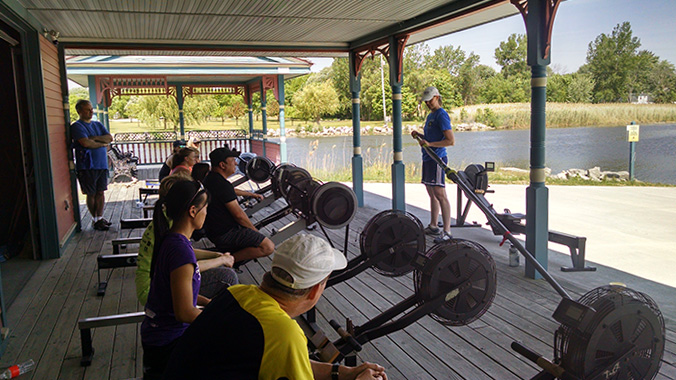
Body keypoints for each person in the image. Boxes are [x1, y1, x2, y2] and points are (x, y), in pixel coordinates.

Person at [164, 234, 388, 380]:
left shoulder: (238, 294)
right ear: (314, 291)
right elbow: (283, 349)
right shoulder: (283, 333)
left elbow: (286, 360)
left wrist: (343, 373)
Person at [141, 180, 212, 379]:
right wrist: (219, 320)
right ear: (192, 211)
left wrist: (208, 303)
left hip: (157, 336)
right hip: (168, 342)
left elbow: (176, 293)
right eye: (205, 208)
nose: (207, 213)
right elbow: (184, 313)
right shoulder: (181, 251)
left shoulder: (171, 239)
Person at [135, 174, 237, 307]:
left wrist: (216, 255)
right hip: (153, 291)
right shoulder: (175, 227)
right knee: (228, 276)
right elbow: (185, 267)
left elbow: (186, 256)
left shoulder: (165, 221)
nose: (206, 213)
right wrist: (220, 260)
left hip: (152, 285)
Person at [203, 147, 273, 263]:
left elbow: (230, 191)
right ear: (222, 165)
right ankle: (227, 260)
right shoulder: (222, 185)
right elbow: (239, 215)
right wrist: (254, 231)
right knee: (267, 246)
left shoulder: (211, 179)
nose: (236, 163)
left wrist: (251, 194)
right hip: (225, 233)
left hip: (213, 230)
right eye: (232, 161)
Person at [410, 86, 455, 243]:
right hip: (428, 158)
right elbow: (429, 139)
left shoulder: (442, 115)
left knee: (440, 194)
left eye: (430, 100)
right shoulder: (431, 116)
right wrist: (419, 135)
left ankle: (447, 231)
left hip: (437, 159)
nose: (428, 103)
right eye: (426, 101)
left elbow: (450, 141)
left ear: (437, 97)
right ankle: (434, 225)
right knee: (432, 193)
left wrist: (430, 144)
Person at [71, 99, 113, 231]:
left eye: (91, 109)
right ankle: (95, 220)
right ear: (79, 111)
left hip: (101, 164)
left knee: (100, 192)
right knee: (91, 193)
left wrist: (94, 138)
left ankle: (100, 218)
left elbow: (109, 138)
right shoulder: (77, 126)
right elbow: (85, 143)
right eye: (87, 109)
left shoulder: (97, 124)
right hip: (87, 165)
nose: (91, 111)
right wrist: (101, 144)